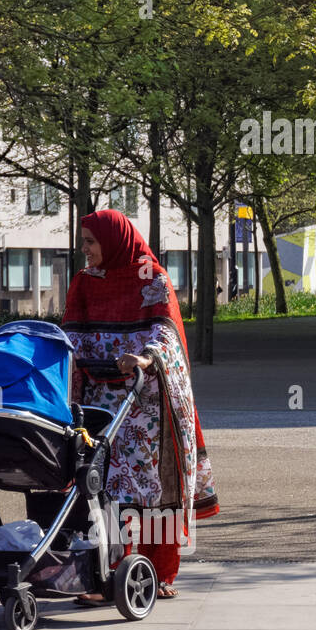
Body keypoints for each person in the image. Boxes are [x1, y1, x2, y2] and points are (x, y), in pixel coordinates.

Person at [62, 209, 219, 602]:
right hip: (99, 400)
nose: (85, 250)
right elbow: (70, 333)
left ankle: (156, 572)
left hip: (144, 401)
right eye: (83, 242)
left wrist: (146, 358)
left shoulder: (152, 278)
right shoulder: (83, 283)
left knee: (149, 489)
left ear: (113, 241)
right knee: (103, 489)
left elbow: (165, 333)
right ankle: (105, 576)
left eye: (91, 242)